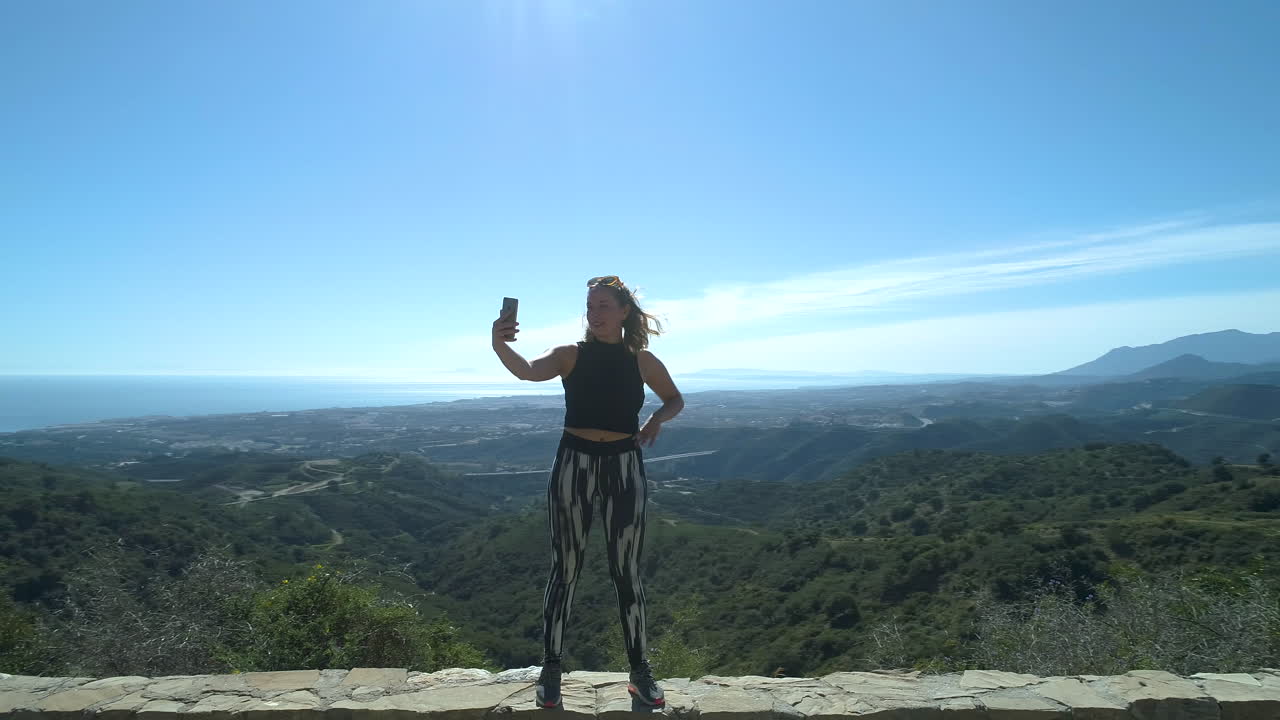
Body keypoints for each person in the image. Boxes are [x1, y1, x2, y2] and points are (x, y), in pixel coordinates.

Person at [491, 275, 684, 709]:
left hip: (624, 466)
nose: (594, 313)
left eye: (603, 306)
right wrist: (500, 343)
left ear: (623, 312)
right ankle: (551, 668)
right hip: (573, 465)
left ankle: (639, 670)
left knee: (627, 573)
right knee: (565, 570)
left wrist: (656, 420)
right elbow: (526, 370)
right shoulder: (569, 355)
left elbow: (674, 399)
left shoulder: (642, 361)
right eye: (590, 306)